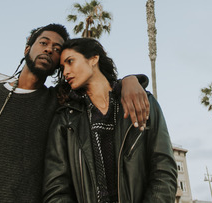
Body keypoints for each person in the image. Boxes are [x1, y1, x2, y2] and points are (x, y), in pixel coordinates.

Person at [0, 24, 149, 202]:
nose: (49, 49)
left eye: (57, 49)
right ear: (28, 48)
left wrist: (130, 81)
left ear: (59, 64)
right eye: (43, 43)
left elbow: (96, 87)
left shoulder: (61, 105)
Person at [43, 38, 178, 203]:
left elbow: (163, 168)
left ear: (94, 58)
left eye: (70, 62)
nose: (65, 72)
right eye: (63, 67)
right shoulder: (65, 118)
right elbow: (56, 188)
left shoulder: (142, 101)